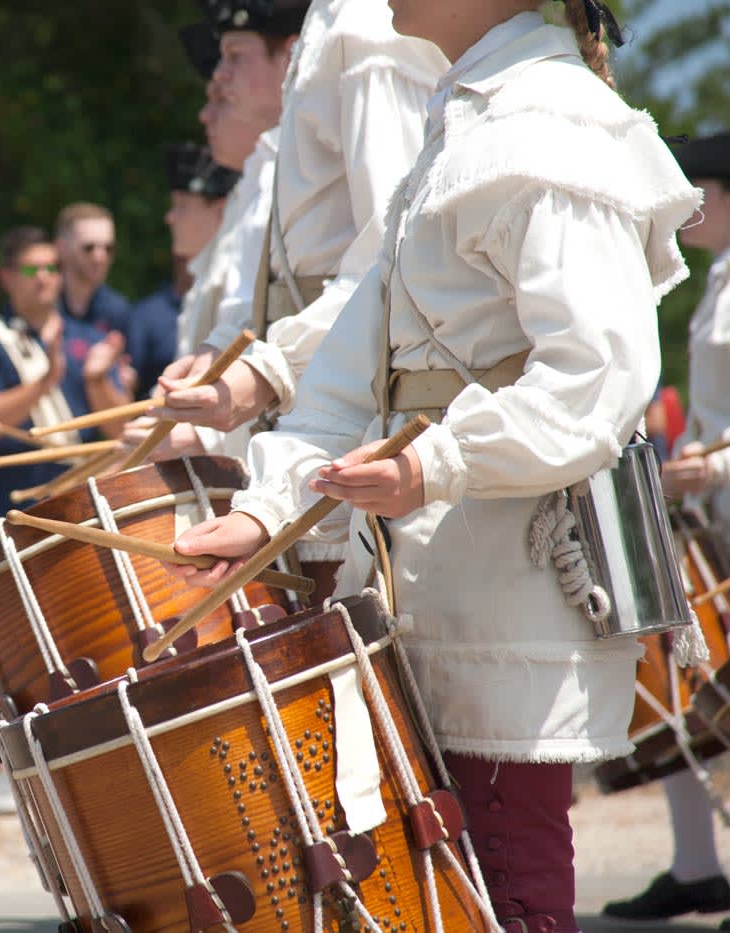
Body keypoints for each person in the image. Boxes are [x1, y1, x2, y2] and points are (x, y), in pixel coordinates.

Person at [167, 3, 699, 930]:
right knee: (442, 885)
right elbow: (347, 365)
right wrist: (267, 508)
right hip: (430, 581)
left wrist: (438, 461)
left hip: (511, 584)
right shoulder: (464, 120)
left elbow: (598, 376)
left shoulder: (554, 125)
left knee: (510, 883)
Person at [153, 0, 448, 466]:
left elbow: (396, 248)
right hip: (316, 398)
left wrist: (270, 369)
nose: (217, 81)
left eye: (235, 57)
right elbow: (280, 283)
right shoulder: (332, 22)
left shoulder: (367, 28)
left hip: (355, 408)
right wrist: (223, 351)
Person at [605, 131, 730, 922]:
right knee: (688, 690)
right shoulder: (718, 277)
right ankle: (695, 866)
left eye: (698, 193)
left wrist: (712, 466)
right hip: (714, 517)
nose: (686, 209)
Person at [125, 1, 307, 461]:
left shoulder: (287, 175)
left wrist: (212, 439)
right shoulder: (267, 178)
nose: (206, 113)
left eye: (218, 99)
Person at [0, 226, 131, 523]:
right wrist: (46, 381)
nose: (43, 277)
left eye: (51, 268)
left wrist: (97, 381)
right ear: (6, 278)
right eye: (30, 269)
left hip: (82, 506)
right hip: (10, 509)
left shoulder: (89, 339)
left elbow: (124, 431)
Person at [124, 144, 238, 401]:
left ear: (219, 210)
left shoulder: (233, 282)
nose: (170, 217)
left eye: (182, 206)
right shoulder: (203, 282)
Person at [54, 202, 132, 334]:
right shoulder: (39, 306)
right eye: (89, 248)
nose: (100, 257)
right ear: (62, 248)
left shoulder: (119, 311)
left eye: (108, 248)